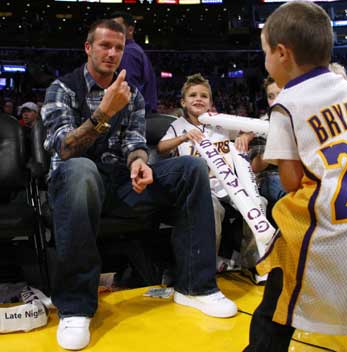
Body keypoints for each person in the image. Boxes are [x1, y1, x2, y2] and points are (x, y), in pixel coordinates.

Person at [41, 20, 236, 351]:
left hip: (118, 183)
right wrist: (104, 112)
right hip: (74, 185)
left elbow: (134, 141)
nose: (113, 53)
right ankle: (75, 306)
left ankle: (195, 287)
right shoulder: (62, 89)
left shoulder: (131, 94)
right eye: (105, 46)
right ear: (88, 48)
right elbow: (65, 148)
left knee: (190, 168)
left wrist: (139, 163)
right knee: (81, 171)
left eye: (119, 48)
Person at [245, 2, 347, 351]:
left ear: (282, 53)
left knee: (274, 308)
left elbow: (290, 184)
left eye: (264, 53)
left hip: (324, 231)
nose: (264, 61)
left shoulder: (287, 103)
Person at [157, 73, 254, 263]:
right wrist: (183, 138)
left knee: (258, 204)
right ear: (183, 102)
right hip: (200, 187)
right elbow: (160, 148)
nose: (198, 99)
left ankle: (253, 264)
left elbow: (250, 128)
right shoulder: (178, 126)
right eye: (193, 95)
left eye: (204, 96)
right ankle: (206, 266)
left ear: (210, 102)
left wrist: (245, 137)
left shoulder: (221, 123)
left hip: (228, 185)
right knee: (211, 208)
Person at [248, 76, 286, 223]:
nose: (276, 100)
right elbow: (255, 167)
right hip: (272, 176)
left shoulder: (303, 118)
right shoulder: (260, 126)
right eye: (271, 96)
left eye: (280, 94)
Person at [111, 11, 157, 113]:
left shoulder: (128, 52)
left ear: (130, 30)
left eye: (117, 27)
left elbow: (130, 91)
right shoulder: (134, 49)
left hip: (135, 116)